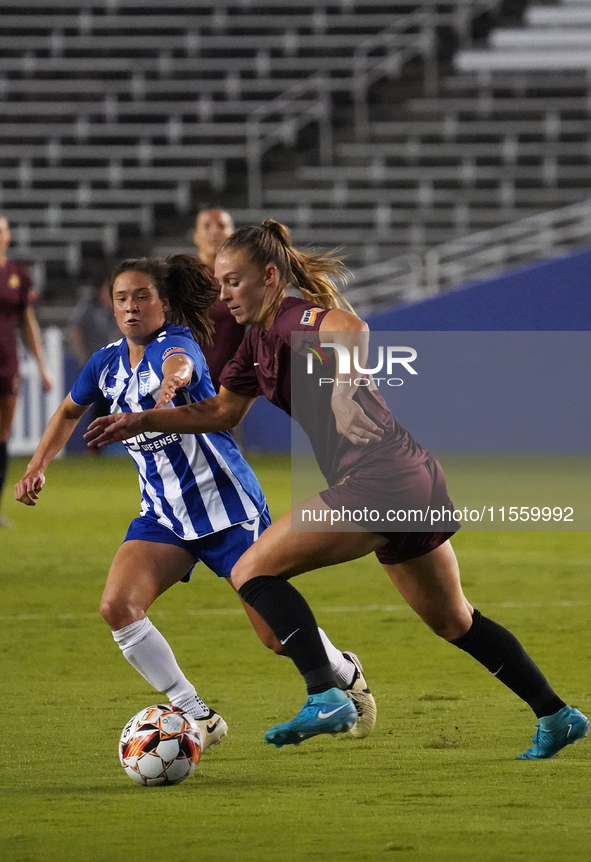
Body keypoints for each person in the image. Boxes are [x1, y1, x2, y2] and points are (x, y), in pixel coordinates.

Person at [85, 220, 589, 761]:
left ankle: (326, 693)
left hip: (381, 479)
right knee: (453, 619)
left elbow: (350, 327)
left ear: (271, 277)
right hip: (410, 477)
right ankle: (556, 714)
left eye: (233, 282)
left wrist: (345, 385)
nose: (223, 295)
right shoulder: (256, 340)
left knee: (252, 569)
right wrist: (144, 421)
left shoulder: (288, 317)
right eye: (219, 282)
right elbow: (221, 411)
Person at [14, 253, 375, 751]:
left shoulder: (177, 343)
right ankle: (194, 712)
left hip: (226, 508)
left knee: (274, 638)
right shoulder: (105, 362)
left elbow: (180, 364)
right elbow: (68, 412)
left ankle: (342, 669)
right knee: (118, 606)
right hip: (164, 516)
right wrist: (37, 467)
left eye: (142, 296)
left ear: (164, 302)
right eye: (122, 298)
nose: (131, 307)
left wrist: (174, 382)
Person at [0, 215, 53, 526]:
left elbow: (27, 323)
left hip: (7, 364)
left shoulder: (17, 274)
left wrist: (42, 367)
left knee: (2, 434)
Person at [193, 207, 244, 392]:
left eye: (221, 226)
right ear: (196, 236)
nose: (214, 231)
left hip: (227, 394)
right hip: (178, 390)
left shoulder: (244, 281)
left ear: (232, 235)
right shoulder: (177, 280)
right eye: (206, 226)